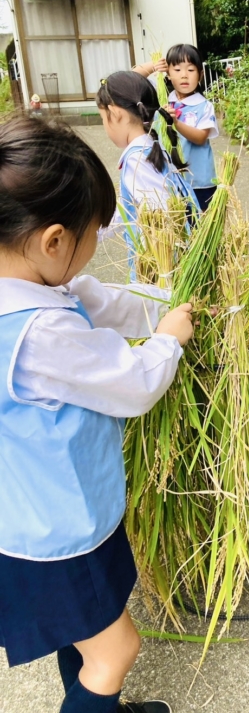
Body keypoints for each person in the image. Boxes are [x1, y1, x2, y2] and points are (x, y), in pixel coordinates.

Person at [0, 116, 194, 711]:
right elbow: (132, 383)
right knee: (115, 652)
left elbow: (103, 302)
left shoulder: (30, 288)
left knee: (83, 637)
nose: (93, 251)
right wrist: (170, 340)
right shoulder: (39, 333)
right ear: (54, 241)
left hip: (40, 516)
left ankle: (97, 703)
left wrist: (169, 302)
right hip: (58, 533)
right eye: (92, 236)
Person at [96, 71, 199, 276]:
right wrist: (93, 232)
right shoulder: (150, 148)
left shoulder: (137, 161)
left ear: (114, 113)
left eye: (102, 119)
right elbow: (129, 207)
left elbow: (161, 216)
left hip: (158, 268)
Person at [134, 45, 219, 211]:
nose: (184, 75)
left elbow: (201, 138)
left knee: (199, 223)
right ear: (168, 74)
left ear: (200, 75)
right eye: (177, 69)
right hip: (168, 181)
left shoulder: (204, 106)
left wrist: (176, 123)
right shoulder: (162, 99)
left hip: (198, 183)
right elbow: (130, 80)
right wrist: (153, 66)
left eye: (191, 70)